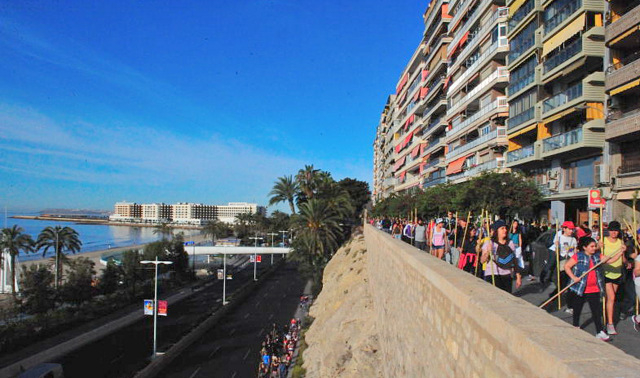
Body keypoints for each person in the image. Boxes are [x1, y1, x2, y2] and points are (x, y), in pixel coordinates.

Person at [564, 236, 610, 341]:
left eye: (595, 246)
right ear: (585, 247)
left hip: (594, 288)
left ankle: (599, 331)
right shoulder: (578, 256)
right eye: (592, 246)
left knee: (596, 311)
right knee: (577, 308)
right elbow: (567, 266)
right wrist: (573, 277)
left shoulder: (597, 256)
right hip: (580, 287)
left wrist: (620, 252)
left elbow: (610, 260)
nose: (594, 248)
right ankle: (575, 326)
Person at [481, 220, 522, 293]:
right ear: (497, 231)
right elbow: (482, 260)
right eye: (502, 228)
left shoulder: (510, 243)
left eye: (505, 228)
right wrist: (488, 252)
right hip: (493, 274)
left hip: (507, 274)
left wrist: (518, 276)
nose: (505, 230)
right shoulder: (490, 243)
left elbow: (514, 260)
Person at [601, 221, 627, 335]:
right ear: (608, 230)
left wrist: (627, 263)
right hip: (606, 272)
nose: (613, 232)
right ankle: (610, 323)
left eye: (616, 230)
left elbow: (623, 258)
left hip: (617, 273)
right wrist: (598, 246)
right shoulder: (603, 241)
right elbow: (598, 252)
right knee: (611, 298)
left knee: (611, 298)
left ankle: (607, 314)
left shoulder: (621, 242)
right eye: (612, 230)